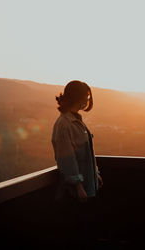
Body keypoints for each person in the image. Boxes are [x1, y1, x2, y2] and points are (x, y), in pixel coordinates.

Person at [51, 80, 103, 246]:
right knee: (77, 235)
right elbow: (66, 158)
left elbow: (87, 153)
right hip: (75, 193)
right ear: (78, 98)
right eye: (86, 97)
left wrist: (96, 174)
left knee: (88, 232)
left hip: (88, 187)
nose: (87, 101)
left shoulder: (77, 121)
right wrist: (78, 185)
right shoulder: (64, 124)